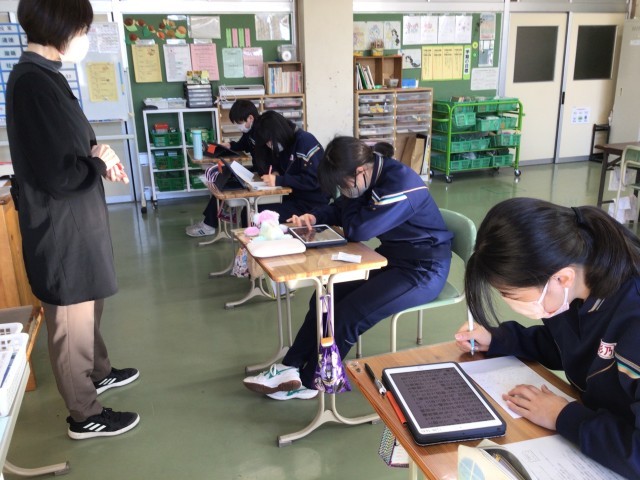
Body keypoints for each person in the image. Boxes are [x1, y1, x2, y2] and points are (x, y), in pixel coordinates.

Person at [7, 0, 139, 439]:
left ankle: (98, 371)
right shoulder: (32, 84)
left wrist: (99, 154)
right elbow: (57, 174)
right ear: (60, 27)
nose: (85, 37)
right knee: (70, 322)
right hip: (60, 226)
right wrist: (96, 163)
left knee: (89, 303)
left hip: (76, 219)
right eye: (82, 28)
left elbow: (68, 145)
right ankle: (83, 414)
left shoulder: (47, 76)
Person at [244, 136, 452, 400]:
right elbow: (340, 208)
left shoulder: (400, 183)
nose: (344, 191)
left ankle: (311, 383)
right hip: (391, 258)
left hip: (423, 269)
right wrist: (315, 216)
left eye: (344, 185)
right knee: (324, 298)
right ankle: (290, 367)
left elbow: (358, 230)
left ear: (361, 170)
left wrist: (350, 200)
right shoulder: (367, 176)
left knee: (348, 316)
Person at [453, 197, 640, 479]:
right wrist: (499, 339)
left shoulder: (633, 318)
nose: (510, 302)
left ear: (562, 279)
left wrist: (563, 416)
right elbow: (569, 345)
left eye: (512, 295)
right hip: (597, 431)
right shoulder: (576, 286)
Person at [186, 99, 260, 237]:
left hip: (260, 174)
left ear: (250, 118)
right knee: (221, 179)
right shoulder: (250, 131)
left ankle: (209, 225)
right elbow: (242, 144)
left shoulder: (261, 132)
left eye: (239, 123)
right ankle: (209, 223)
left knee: (224, 182)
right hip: (255, 171)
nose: (238, 126)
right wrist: (229, 145)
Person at [250, 110, 330, 221]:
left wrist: (279, 180)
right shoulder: (284, 143)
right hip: (293, 197)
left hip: (311, 204)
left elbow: (314, 180)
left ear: (278, 132)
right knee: (251, 210)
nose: (269, 145)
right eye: (266, 143)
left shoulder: (305, 141)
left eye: (270, 141)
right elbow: (277, 164)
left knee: (258, 214)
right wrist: (275, 172)